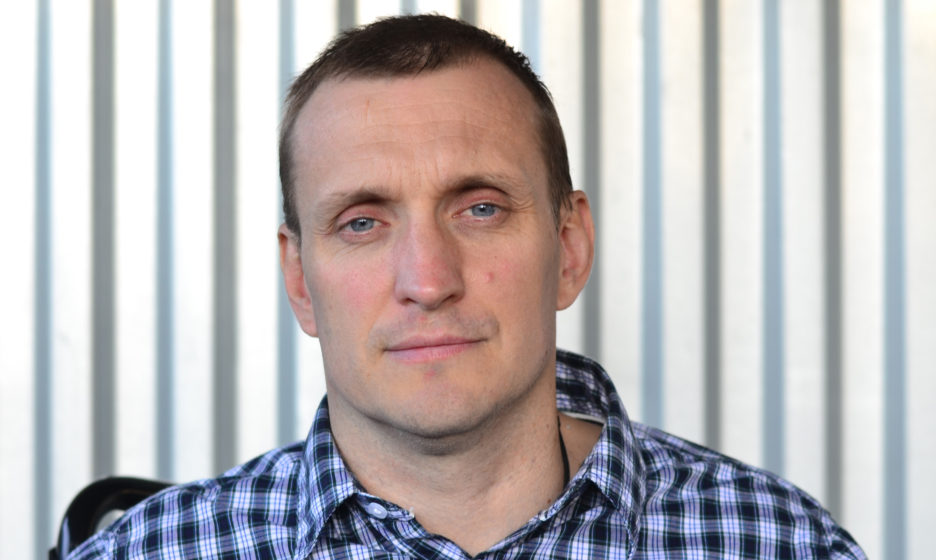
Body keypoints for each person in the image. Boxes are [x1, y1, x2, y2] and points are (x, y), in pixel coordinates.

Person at [70, 14, 865, 559]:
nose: (427, 280)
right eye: (361, 222)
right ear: (299, 279)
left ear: (569, 247)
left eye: (480, 209)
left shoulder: (780, 543)